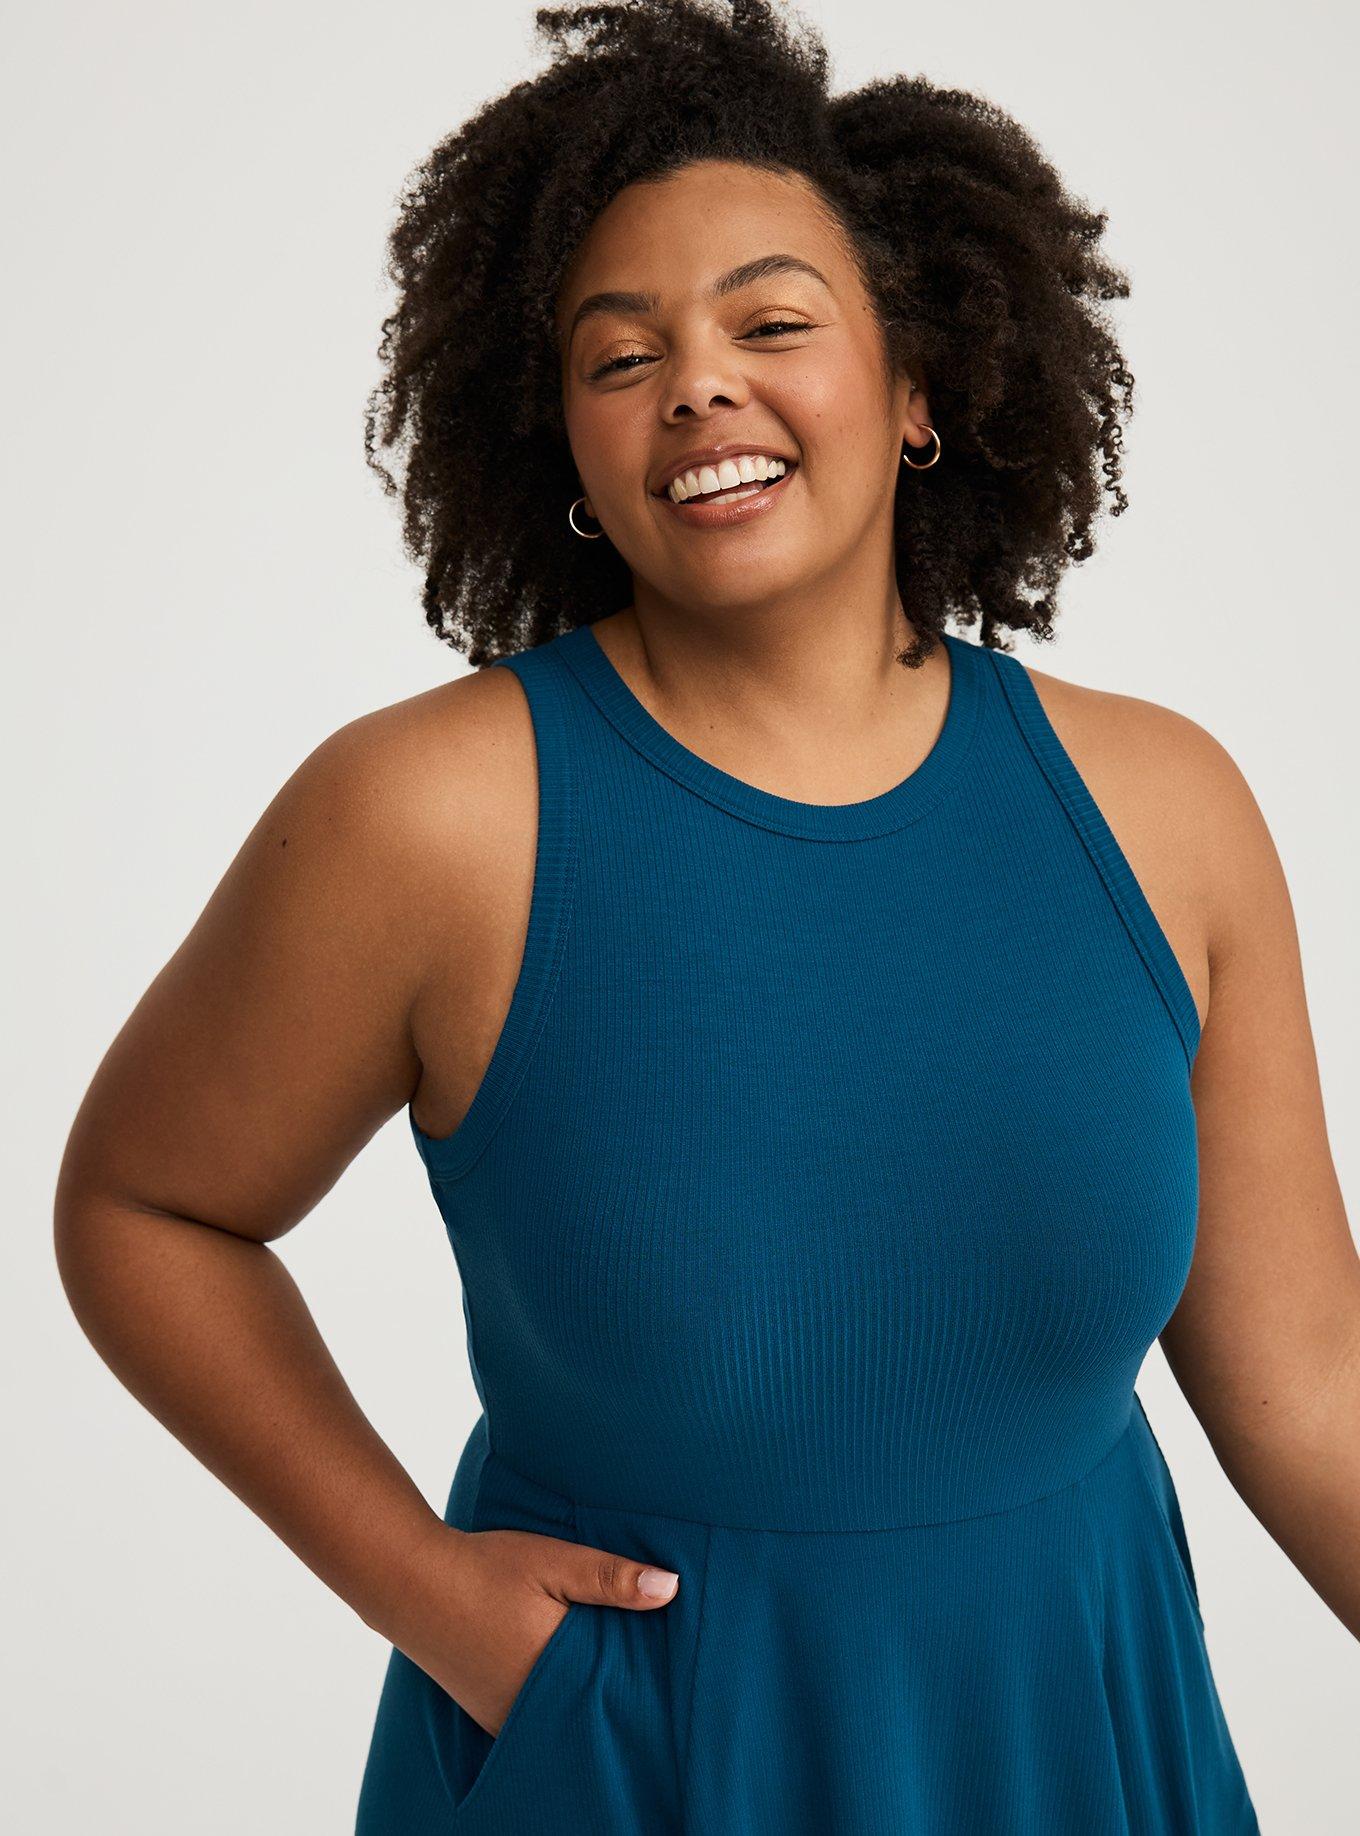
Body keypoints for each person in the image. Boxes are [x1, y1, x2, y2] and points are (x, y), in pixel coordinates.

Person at [54, 3, 1358, 1832]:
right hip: (646, 1753)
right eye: (622, 355)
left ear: (918, 384)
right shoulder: (431, 817)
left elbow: (1310, 1389)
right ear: (568, 448)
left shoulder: (1164, 808)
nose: (696, 387)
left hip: (1070, 1727)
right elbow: (144, 1208)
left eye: (773, 323)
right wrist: (432, 1598)